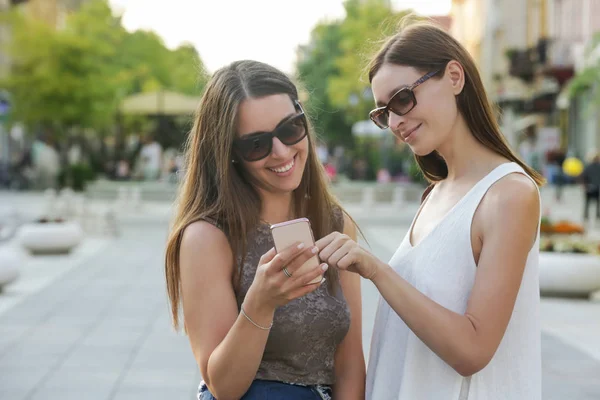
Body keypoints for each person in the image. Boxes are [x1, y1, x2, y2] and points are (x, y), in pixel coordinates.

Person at [315, 22, 545, 400]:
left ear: (454, 76)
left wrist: (376, 270)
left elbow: (473, 350)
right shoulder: (436, 194)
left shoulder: (508, 194)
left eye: (402, 100)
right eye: (383, 112)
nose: (394, 122)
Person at [164, 60, 365, 400]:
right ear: (229, 153)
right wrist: (260, 304)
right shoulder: (208, 237)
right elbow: (223, 387)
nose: (282, 151)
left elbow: (350, 363)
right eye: (256, 144)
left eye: (290, 129)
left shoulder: (334, 222)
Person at [582, 151, 600, 220]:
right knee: (597, 203)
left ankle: (586, 215)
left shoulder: (588, 167)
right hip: (597, 187)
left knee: (587, 202)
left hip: (589, 187)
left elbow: (584, 176)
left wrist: (585, 185)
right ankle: (597, 215)